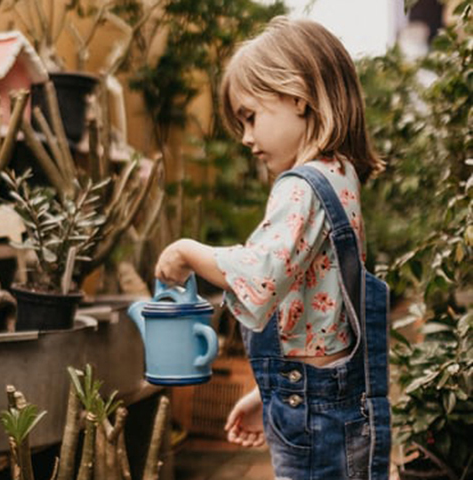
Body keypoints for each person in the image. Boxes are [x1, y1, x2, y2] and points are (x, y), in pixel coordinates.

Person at [154, 16, 391, 479]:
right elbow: (320, 324)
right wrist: (271, 394)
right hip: (333, 401)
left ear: (298, 97)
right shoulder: (339, 173)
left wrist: (186, 251)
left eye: (251, 116)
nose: (246, 137)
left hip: (315, 413)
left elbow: (260, 276)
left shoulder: (301, 186)